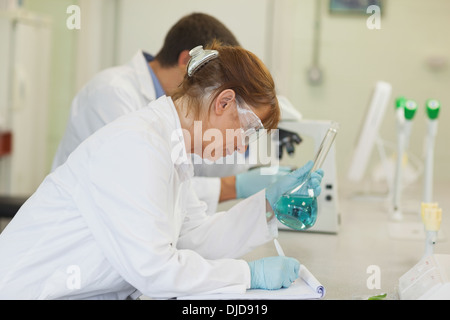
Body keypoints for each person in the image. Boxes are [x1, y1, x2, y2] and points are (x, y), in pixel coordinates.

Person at [0, 42, 323, 299]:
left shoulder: (173, 151)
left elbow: (193, 241)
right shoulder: (137, 145)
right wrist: (249, 276)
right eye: (250, 131)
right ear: (223, 103)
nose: (243, 148)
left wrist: (268, 204)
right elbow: (155, 271)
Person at [51, 12, 289, 214]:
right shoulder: (112, 93)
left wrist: (255, 153)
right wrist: (236, 186)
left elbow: (205, 163)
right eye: (213, 72)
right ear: (187, 60)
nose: (213, 85)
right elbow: (142, 185)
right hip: (74, 238)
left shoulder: (181, 117)